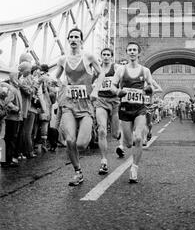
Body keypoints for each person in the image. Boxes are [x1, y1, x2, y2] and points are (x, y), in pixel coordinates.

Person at [55, 27, 101, 186]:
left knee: (81, 144)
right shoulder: (62, 59)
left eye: (76, 37)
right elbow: (56, 77)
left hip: (85, 104)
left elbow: (101, 73)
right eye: (71, 37)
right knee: (69, 139)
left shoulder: (88, 57)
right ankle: (78, 172)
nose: (74, 39)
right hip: (69, 103)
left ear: (81, 40)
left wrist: (95, 89)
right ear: (68, 40)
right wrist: (58, 84)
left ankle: (91, 130)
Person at [111, 41, 154, 183]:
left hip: (139, 109)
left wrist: (148, 89)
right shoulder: (121, 70)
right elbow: (112, 86)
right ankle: (128, 146)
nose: (132, 52)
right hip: (125, 109)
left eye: (135, 49)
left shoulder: (145, 71)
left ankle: (134, 168)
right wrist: (118, 92)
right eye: (130, 50)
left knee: (138, 138)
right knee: (129, 143)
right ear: (127, 52)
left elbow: (151, 86)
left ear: (138, 52)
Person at [91, 47, 124, 175]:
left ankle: (120, 137)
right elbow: (91, 82)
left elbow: (122, 81)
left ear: (111, 56)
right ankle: (104, 161)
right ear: (101, 56)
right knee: (102, 130)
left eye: (108, 55)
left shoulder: (115, 68)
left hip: (115, 101)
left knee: (115, 134)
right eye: (103, 54)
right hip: (101, 101)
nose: (105, 56)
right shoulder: (97, 69)